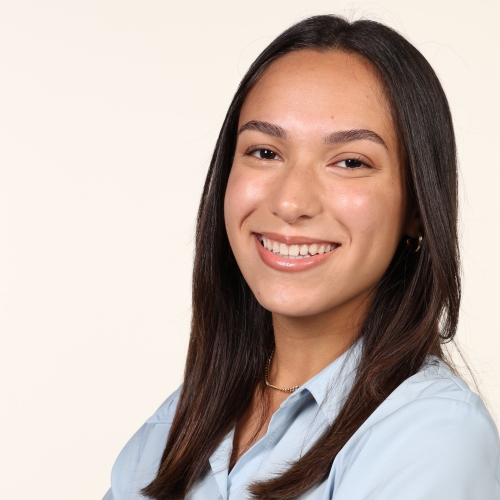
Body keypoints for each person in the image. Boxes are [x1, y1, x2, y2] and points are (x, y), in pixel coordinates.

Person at [103, 15, 500, 500]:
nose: (290, 202)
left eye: (350, 162)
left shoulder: (433, 437)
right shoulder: (173, 429)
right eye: (265, 152)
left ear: (418, 209)